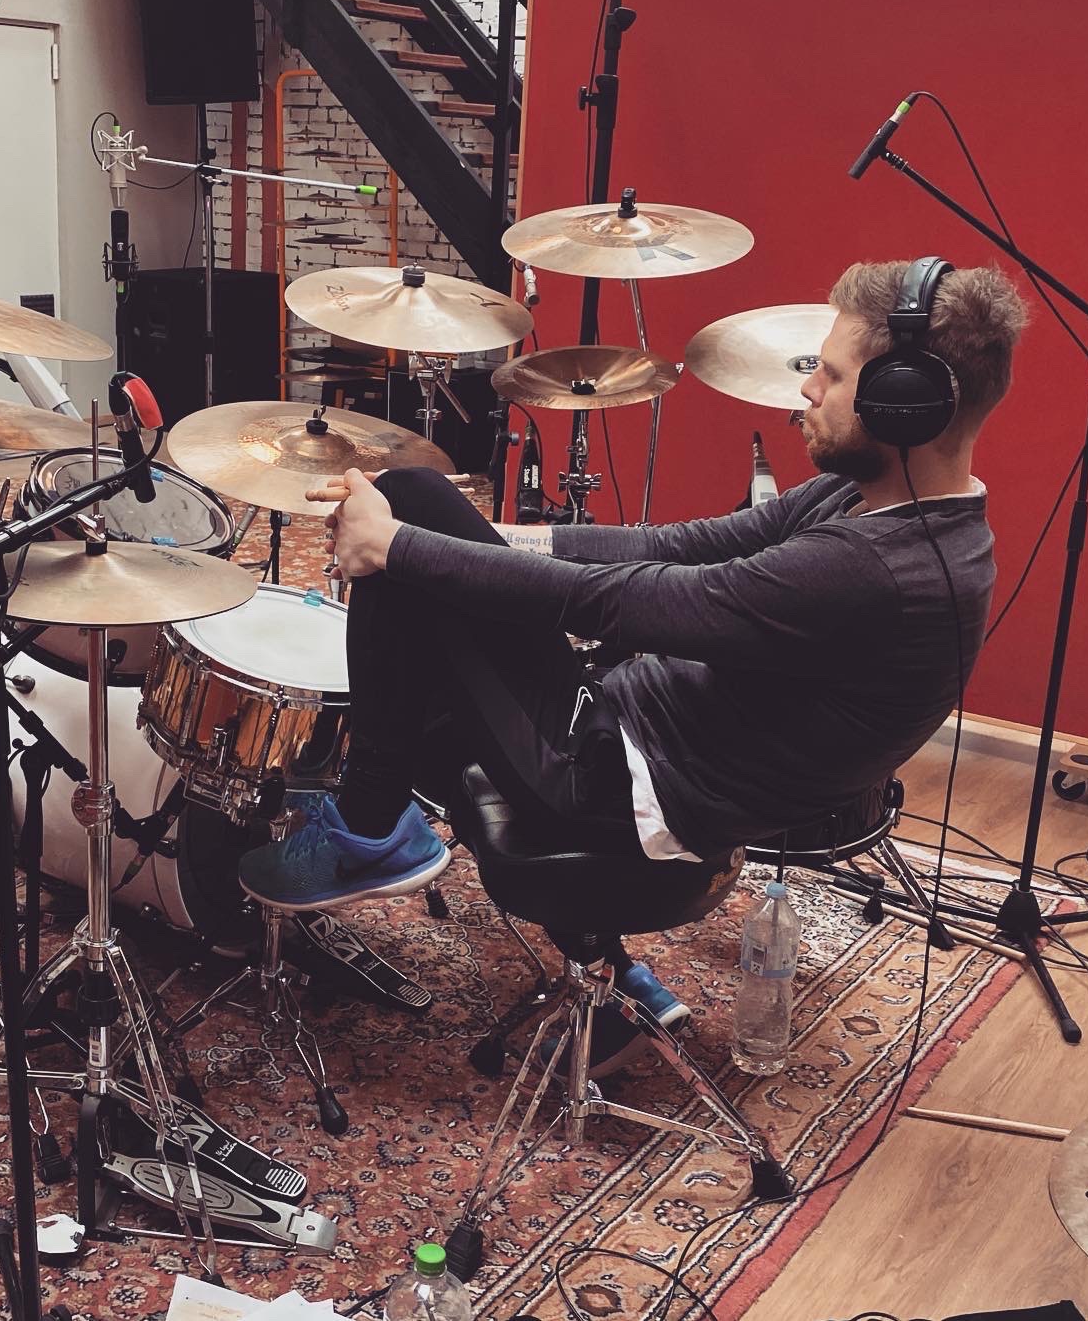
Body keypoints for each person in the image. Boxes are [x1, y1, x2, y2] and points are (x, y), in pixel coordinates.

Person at [237, 259, 1028, 1073]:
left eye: (830, 374)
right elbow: (679, 546)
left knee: (411, 571)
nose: (806, 390)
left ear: (906, 402)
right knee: (417, 511)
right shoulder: (884, 502)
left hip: (619, 791)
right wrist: (463, 538)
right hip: (637, 731)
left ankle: (369, 826)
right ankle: (610, 980)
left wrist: (400, 549)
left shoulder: (871, 571)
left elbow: (621, 601)